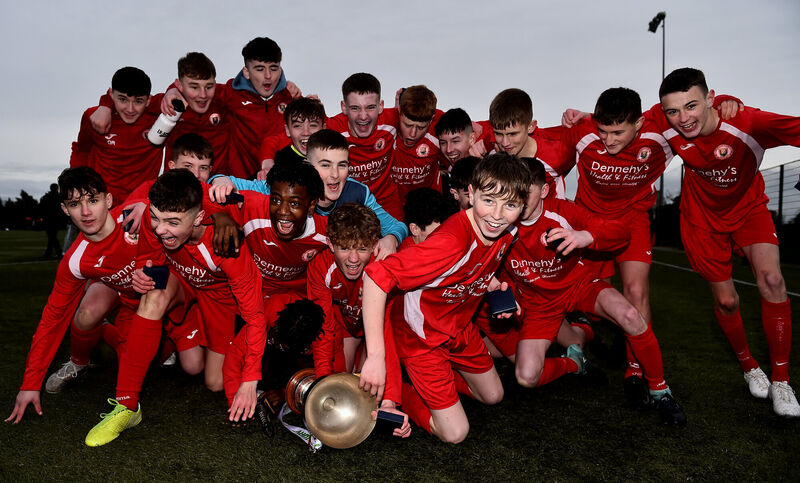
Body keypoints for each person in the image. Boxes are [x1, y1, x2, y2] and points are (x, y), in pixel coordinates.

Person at [651, 67, 799, 417]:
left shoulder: (750, 123)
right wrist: (581, 118)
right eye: (673, 111)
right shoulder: (664, 122)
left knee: (773, 281)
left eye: (691, 106)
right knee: (728, 301)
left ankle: (781, 380)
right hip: (702, 221)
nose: (682, 118)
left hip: (748, 208)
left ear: (711, 99)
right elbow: (621, 123)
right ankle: (750, 367)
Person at [6, 167, 203, 425]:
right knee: (90, 313)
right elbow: (52, 318)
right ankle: (79, 361)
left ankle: (122, 335)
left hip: (177, 297)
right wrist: (30, 383)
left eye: (93, 200)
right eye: (75, 204)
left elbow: (186, 194)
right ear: (65, 209)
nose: (86, 212)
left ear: (108, 200)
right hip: (132, 305)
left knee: (194, 367)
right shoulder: (76, 260)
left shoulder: (142, 215)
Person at [359, 153, 529, 443]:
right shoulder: (450, 243)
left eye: (510, 205)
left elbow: (478, 266)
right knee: (455, 433)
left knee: (493, 395)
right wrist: (376, 357)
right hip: (422, 339)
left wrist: (497, 289)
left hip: (459, 326)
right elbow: (374, 278)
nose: (498, 214)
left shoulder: (506, 230)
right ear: (471, 195)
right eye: (489, 200)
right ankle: (403, 391)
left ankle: (436, 383)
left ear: (522, 207)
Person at [504, 158, 686, 425]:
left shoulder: (563, 212)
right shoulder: (500, 222)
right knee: (526, 376)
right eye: (513, 191)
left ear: (544, 191)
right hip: (539, 303)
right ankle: (575, 363)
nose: (517, 200)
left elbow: (621, 232)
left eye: (525, 191)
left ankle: (660, 390)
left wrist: (586, 236)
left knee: (630, 316)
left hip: (578, 286)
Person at [558, 87, 674, 408]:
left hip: (632, 220)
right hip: (590, 222)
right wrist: (481, 132)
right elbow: (531, 134)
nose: (608, 140)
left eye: (617, 132)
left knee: (636, 292)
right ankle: (591, 338)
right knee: (590, 295)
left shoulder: (660, 134)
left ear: (639, 124)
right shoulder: (583, 132)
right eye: (603, 130)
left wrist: (722, 102)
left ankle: (636, 370)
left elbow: (697, 114)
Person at [209, 129, 407, 259]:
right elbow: (230, 182)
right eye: (325, 165)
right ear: (308, 165)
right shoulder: (290, 187)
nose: (335, 175)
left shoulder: (357, 193)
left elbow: (397, 226)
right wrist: (219, 180)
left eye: (342, 165)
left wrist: (391, 239)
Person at [306, 204, 408, 432]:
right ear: (330, 244)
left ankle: (399, 397)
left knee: (374, 388)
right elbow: (323, 325)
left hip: (383, 334)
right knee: (342, 382)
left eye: (362, 249)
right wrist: (323, 379)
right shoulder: (320, 267)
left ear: (374, 245)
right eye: (344, 248)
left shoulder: (383, 263)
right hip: (348, 327)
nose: (353, 259)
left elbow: (385, 328)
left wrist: (391, 400)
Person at [70, 66, 163, 207]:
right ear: (111, 95)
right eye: (122, 99)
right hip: (99, 205)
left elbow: (186, 97)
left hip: (139, 206)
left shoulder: (161, 120)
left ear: (149, 100)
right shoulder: (93, 117)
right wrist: (76, 186)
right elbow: (81, 151)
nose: (130, 109)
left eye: (138, 101)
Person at [325, 73, 404, 219]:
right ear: (344, 107)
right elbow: (295, 134)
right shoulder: (332, 129)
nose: (363, 116)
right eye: (355, 108)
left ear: (381, 106)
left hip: (386, 203)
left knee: (400, 236)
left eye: (370, 107)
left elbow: (431, 119)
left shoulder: (393, 119)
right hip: (349, 204)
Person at [487, 88, 574, 199]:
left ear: (531, 127)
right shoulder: (491, 149)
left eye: (513, 134)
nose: (505, 143)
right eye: (499, 134)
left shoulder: (558, 153)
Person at [390, 86, 443, 206]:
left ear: (431, 121)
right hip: (392, 209)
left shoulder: (438, 132)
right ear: (399, 112)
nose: (412, 134)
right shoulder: (385, 129)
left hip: (430, 208)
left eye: (420, 127)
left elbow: (472, 128)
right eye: (407, 125)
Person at [257, 97, 327, 178]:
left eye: (313, 125)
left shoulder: (336, 156)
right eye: (297, 126)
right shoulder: (279, 166)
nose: (306, 132)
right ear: (287, 130)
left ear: (323, 128)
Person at [40, 183, 64, 258]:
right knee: (52, 237)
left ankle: (56, 252)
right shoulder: (59, 198)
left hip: (48, 220)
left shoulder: (46, 197)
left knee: (52, 237)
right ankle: (50, 253)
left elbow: (42, 208)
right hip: (56, 220)